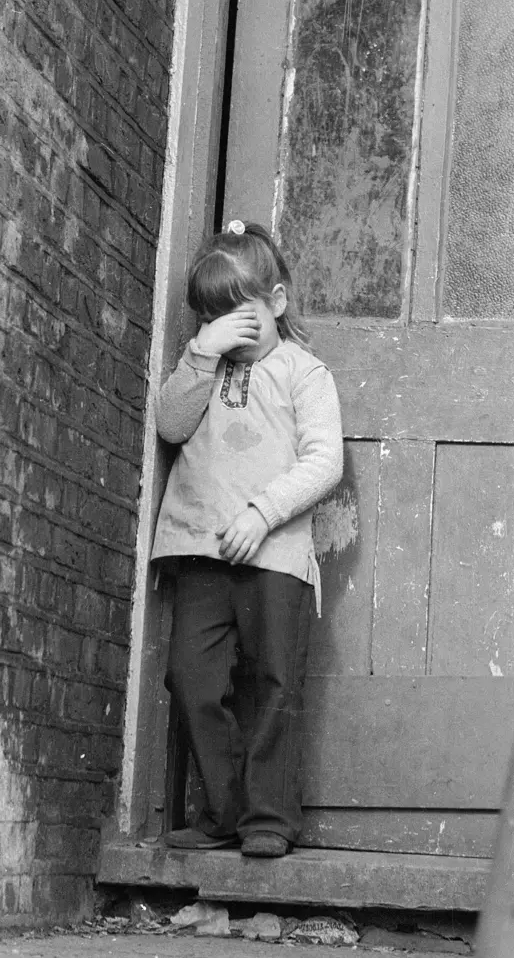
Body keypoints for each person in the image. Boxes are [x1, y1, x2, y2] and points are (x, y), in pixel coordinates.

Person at [150, 220, 343, 858]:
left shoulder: (304, 372)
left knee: (272, 682)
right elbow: (172, 426)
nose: (226, 328)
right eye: (210, 316)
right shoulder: (201, 365)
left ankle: (268, 819)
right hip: (199, 549)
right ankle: (221, 812)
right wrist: (200, 352)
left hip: (274, 555)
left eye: (240, 313)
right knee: (193, 679)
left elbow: (324, 462)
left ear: (277, 303)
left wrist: (262, 513)